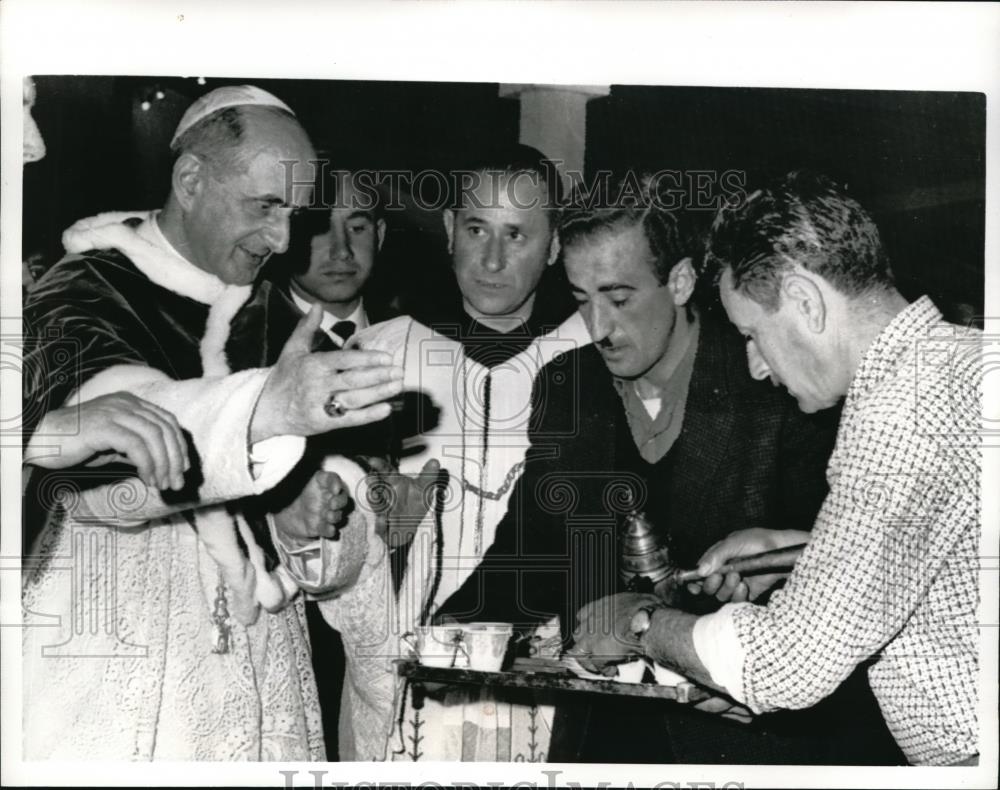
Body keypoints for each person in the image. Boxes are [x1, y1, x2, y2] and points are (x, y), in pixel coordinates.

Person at [435, 178, 905, 764]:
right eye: (582, 299)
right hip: (601, 736)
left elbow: (845, 569)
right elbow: (531, 546)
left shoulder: (778, 375)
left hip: (752, 741)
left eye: (620, 297)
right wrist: (447, 634)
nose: (598, 326)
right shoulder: (568, 386)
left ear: (679, 281)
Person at [21, 85, 404, 760]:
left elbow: (337, 556)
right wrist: (267, 413)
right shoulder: (85, 291)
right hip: (114, 645)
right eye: (266, 207)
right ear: (191, 180)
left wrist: (304, 516)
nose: (285, 241)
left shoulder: (277, 317)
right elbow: (108, 466)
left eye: (296, 213)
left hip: (260, 656)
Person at [569, 171, 981, 767]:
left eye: (754, 334)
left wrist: (639, 623)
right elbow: (952, 554)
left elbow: (788, 664)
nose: (757, 366)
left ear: (806, 302)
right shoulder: (965, 359)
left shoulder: (901, 409)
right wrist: (801, 551)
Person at [315, 144, 592, 761]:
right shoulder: (379, 353)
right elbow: (334, 541)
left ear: (553, 247)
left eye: (517, 234)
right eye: (476, 229)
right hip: (404, 671)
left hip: (543, 674)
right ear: (448, 231)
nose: (491, 259)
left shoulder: (592, 354)